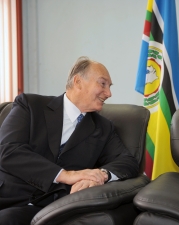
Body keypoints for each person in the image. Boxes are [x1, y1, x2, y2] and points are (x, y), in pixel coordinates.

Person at [0, 56, 139, 224]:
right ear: (78, 82)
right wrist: (66, 175)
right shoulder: (30, 105)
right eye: (102, 84)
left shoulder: (103, 127)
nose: (109, 93)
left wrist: (100, 175)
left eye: (109, 87)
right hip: (8, 196)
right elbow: (8, 151)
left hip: (51, 208)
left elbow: (127, 162)